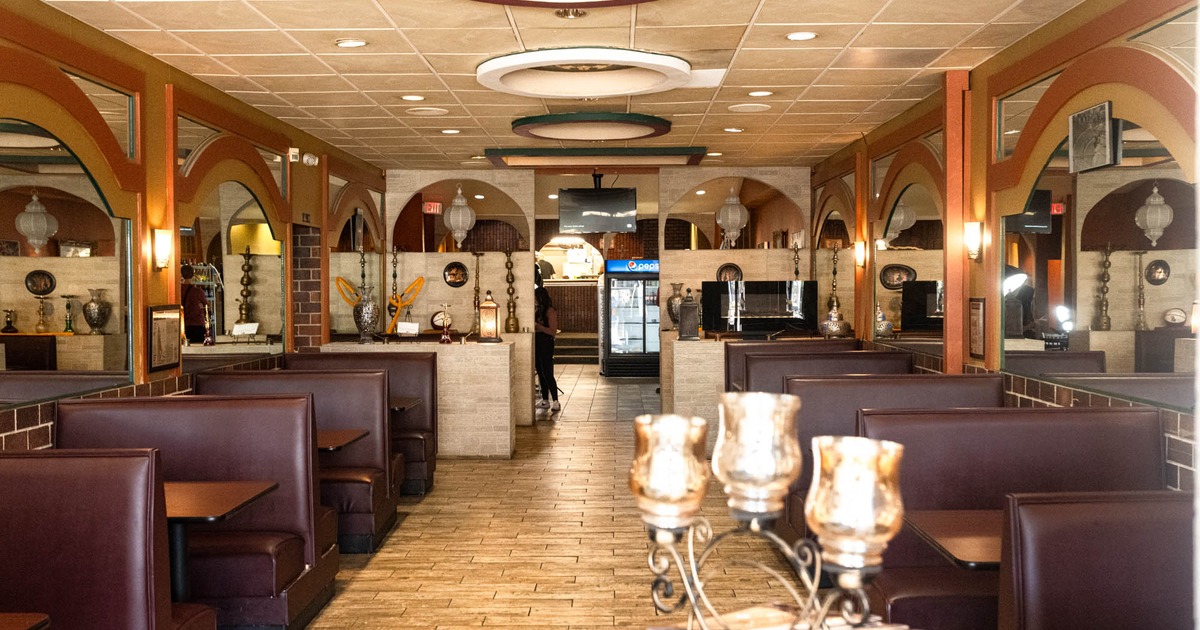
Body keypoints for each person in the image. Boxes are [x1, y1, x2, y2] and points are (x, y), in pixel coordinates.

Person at [534, 286, 560, 412]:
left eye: (535, 297)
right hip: (537, 342)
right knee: (540, 371)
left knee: (547, 372)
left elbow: (553, 331)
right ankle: (545, 399)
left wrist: (539, 327)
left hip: (546, 343)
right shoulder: (537, 310)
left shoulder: (550, 311)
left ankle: (555, 400)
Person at [181, 264, 209, 344]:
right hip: (197, 325)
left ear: (181, 275)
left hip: (183, 325)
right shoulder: (198, 292)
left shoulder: (178, 291)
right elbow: (206, 306)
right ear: (193, 275)